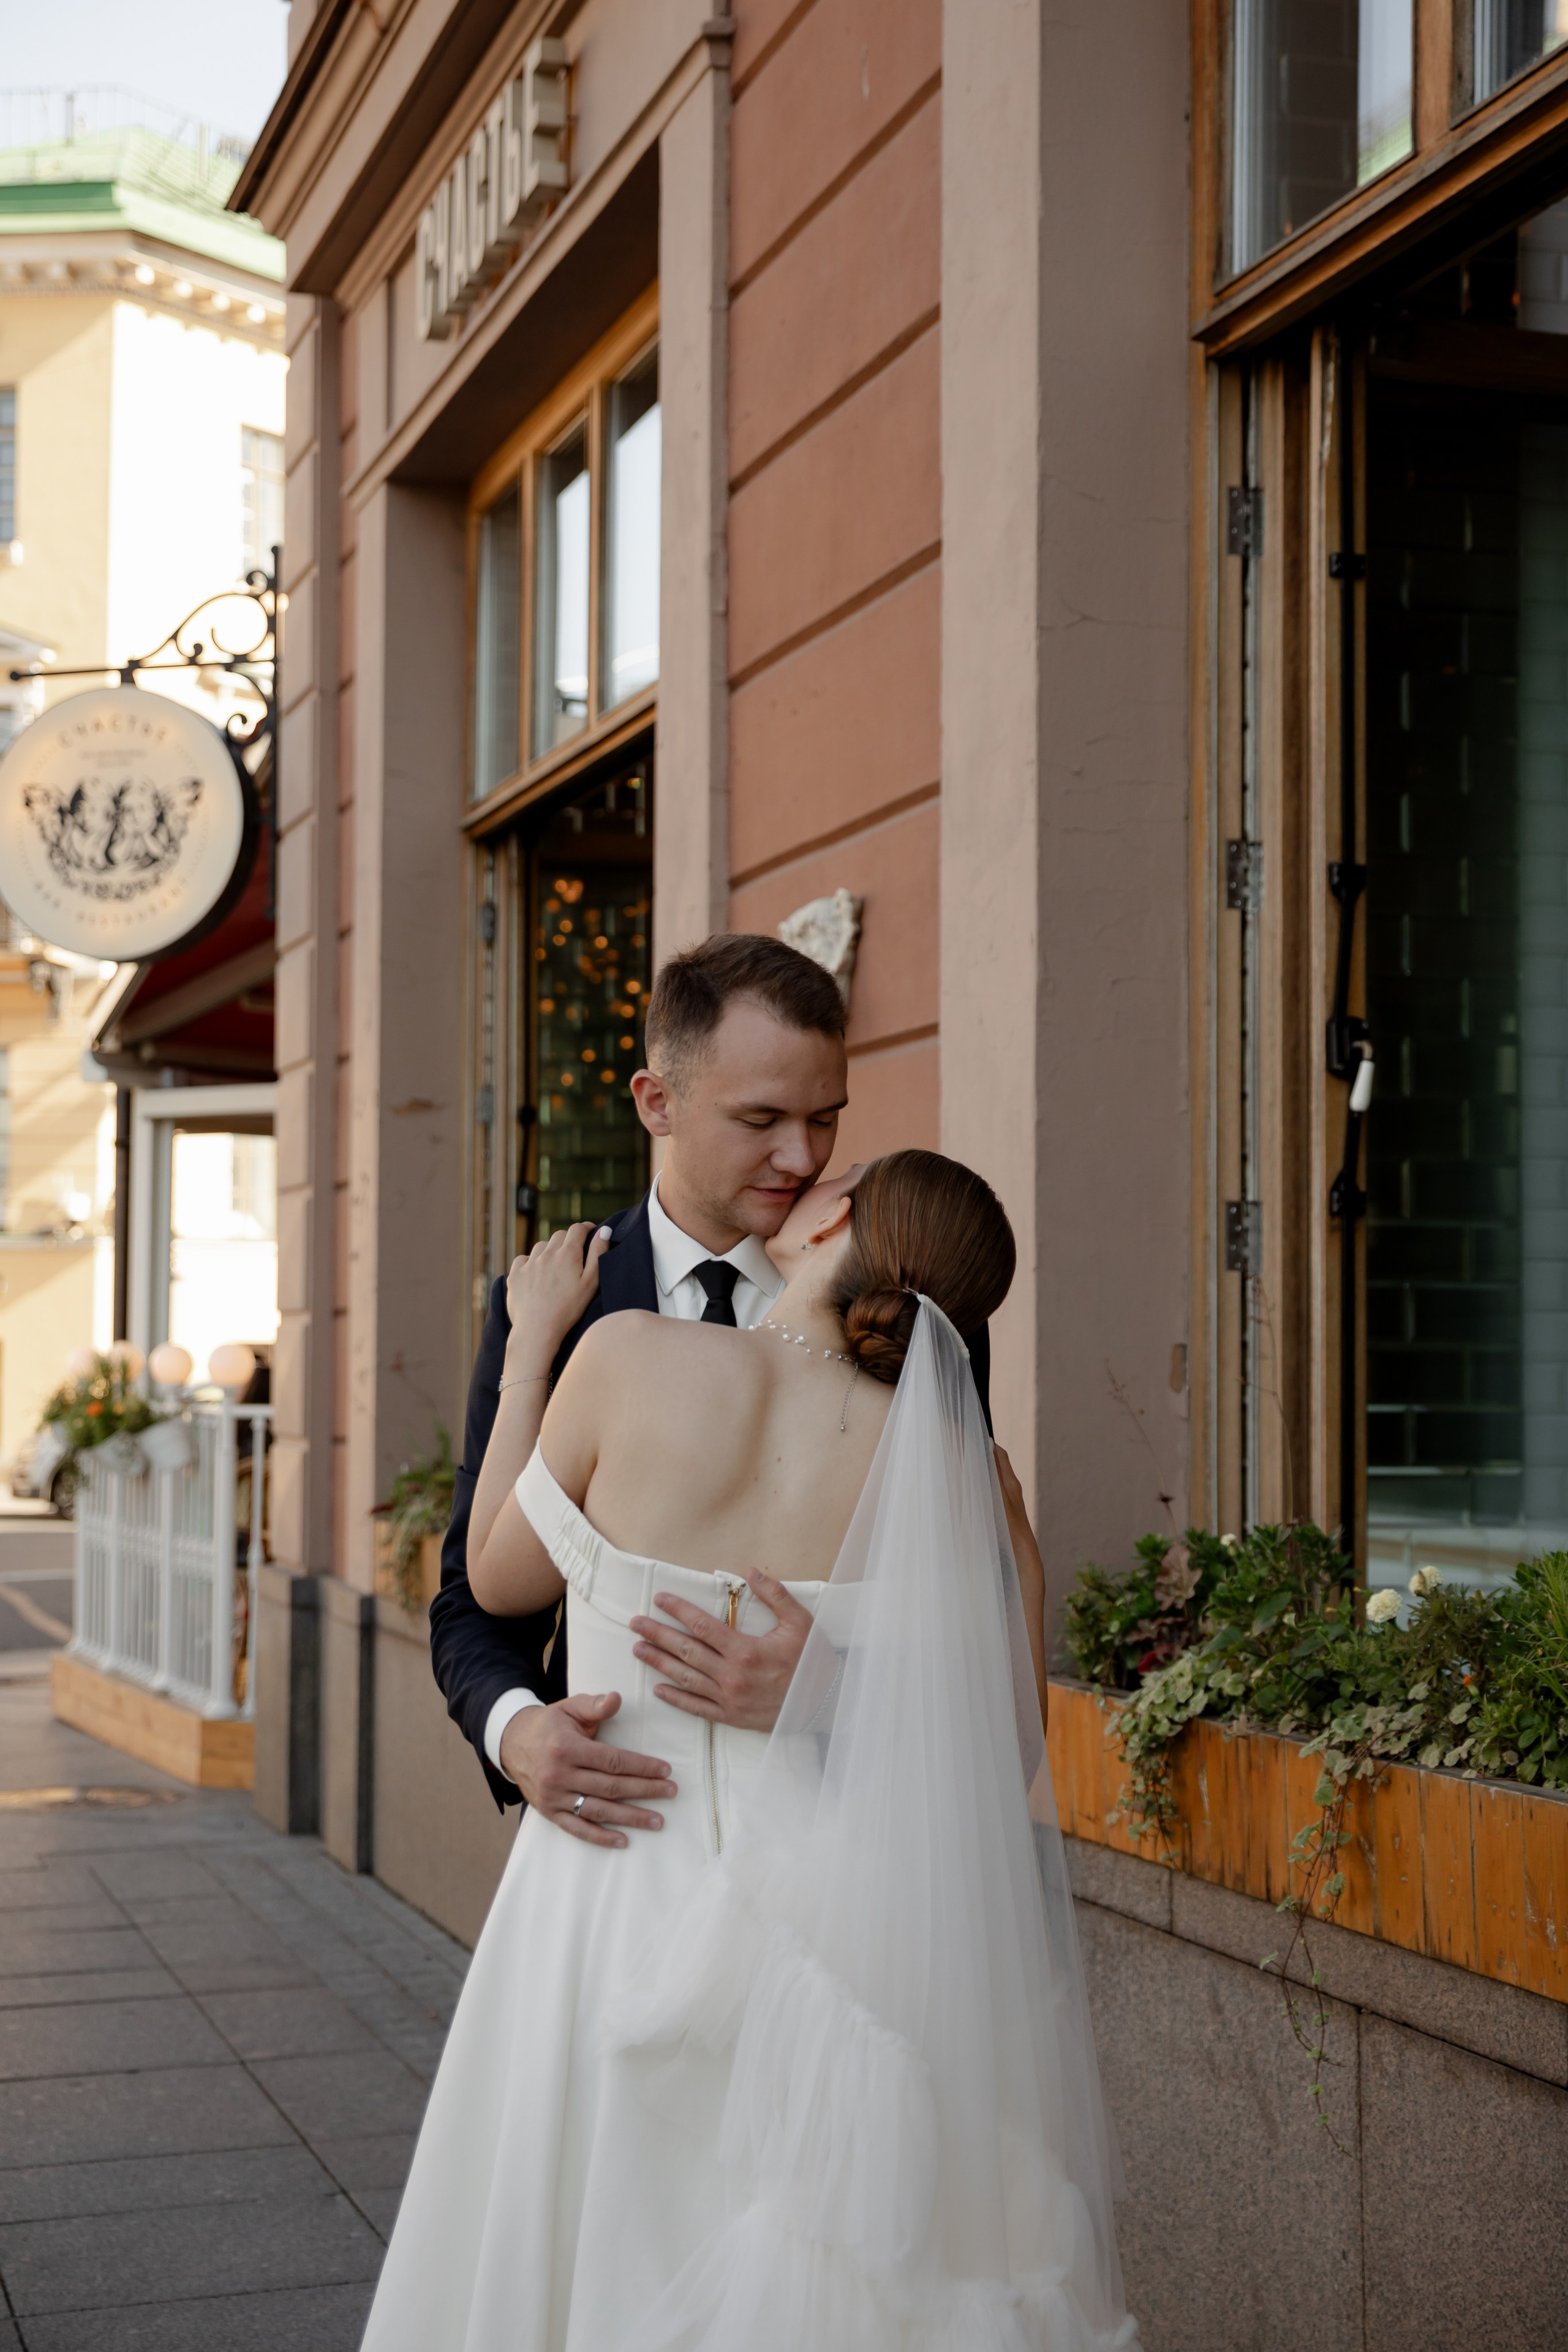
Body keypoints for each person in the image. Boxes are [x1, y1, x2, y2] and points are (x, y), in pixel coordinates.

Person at [361, 1150, 1137, 2352]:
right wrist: (1005, 1562)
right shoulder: (945, 1469)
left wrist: (530, 1351)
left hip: (609, 1879)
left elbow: (498, 1581)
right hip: (836, 1933)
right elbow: (1001, 1757)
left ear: (835, 1220)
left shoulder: (623, 1358)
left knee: (571, 2229)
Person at [429, 932, 993, 1834]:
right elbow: (477, 1592)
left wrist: (834, 1693)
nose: (802, 1157)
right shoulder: (550, 1303)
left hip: (839, 1845)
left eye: (826, 1119)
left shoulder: (913, 1314)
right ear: (657, 1102)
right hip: (617, 1833)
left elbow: (952, 1614)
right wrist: (517, 1731)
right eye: (761, 1121)